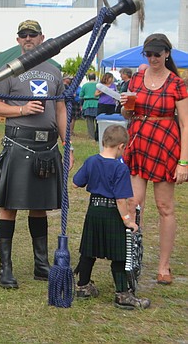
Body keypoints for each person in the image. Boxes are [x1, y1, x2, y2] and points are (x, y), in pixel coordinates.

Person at [0, 19, 72, 289]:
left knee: (40, 207)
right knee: (8, 207)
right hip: (18, 144)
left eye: (32, 35)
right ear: (18, 40)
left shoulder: (54, 72)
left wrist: (66, 144)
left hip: (46, 148)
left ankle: (41, 265)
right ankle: (6, 268)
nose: (27, 39)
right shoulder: (7, 71)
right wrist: (22, 110)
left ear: (41, 38)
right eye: (23, 35)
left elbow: (60, 110)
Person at [120, 33, 188, 285]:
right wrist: (126, 106)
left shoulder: (176, 83)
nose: (152, 58)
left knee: (165, 207)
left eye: (157, 54)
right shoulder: (137, 78)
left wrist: (184, 162)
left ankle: (164, 266)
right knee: (133, 204)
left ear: (167, 54)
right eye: (148, 54)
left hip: (166, 146)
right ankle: (131, 261)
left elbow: (185, 123)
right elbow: (128, 112)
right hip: (139, 143)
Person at [73, 124, 150, 310]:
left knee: (88, 251)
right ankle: (123, 294)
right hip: (112, 213)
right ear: (122, 146)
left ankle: (82, 286)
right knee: (119, 254)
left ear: (103, 141)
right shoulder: (120, 168)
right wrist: (127, 220)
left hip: (94, 211)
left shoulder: (91, 161)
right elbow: (121, 199)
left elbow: (76, 183)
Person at [79, 72, 99, 140]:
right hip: (97, 103)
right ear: (95, 77)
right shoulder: (98, 85)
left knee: (89, 122)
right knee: (98, 122)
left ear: (88, 78)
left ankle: (91, 137)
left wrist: (81, 105)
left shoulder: (85, 85)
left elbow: (81, 96)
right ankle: (98, 136)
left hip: (87, 104)